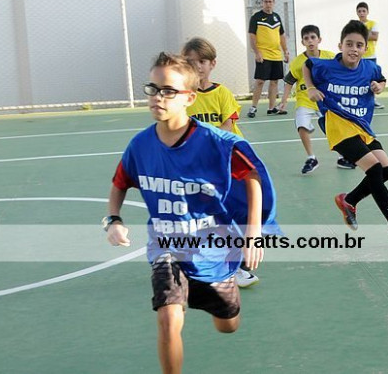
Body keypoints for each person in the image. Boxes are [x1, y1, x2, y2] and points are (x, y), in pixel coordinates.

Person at [104, 53, 278, 374]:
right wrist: (113, 220)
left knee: (228, 324)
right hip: (167, 247)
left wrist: (253, 234)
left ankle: (220, 296)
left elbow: (253, 178)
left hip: (213, 251)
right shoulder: (140, 146)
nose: (158, 97)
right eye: (153, 88)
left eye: (168, 90)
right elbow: (120, 183)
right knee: (168, 318)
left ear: (189, 98)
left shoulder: (215, 143)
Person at [303, 20, 388, 241]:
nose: (353, 49)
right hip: (337, 124)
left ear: (365, 49)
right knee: (374, 168)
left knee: (386, 169)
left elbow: (381, 79)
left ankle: (349, 200)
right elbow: (308, 65)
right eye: (349, 44)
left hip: (361, 126)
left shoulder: (370, 68)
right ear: (340, 46)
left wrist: (380, 87)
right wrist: (310, 88)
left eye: (358, 45)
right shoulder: (327, 67)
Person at [182, 37, 259, 288]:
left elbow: (227, 127)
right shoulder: (184, 98)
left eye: (202, 61)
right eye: (191, 62)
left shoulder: (221, 93)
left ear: (212, 64)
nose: (197, 66)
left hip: (230, 162)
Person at [278, 25, 335, 174]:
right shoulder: (298, 62)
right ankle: (311, 158)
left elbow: (342, 73)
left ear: (319, 40)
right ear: (302, 42)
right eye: (306, 38)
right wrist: (284, 101)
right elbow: (289, 81)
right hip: (305, 100)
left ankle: (344, 156)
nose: (310, 41)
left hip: (326, 101)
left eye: (313, 37)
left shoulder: (330, 57)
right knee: (301, 125)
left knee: (334, 129)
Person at [247, 0, 290, 118]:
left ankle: (271, 108)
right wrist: (257, 52)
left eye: (270, 2)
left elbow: (281, 36)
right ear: (262, 2)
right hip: (263, 54)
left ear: (274, 3)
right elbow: (252, 36)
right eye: (265, 1)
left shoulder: (277, 17)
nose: (268, 4)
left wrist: (285, 51)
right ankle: (253, 107)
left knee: (274, 82)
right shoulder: (256, 17)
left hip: (276, 55)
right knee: (260, 81)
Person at [356, 2, 384, 110]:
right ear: (357, 13)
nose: (362, 13)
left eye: (364, 11)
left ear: (367, 12)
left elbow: (374, 37)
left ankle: (373, 100)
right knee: (358, 78)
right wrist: (366, 33)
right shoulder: (355, 24)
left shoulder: (373, 23)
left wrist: (361, 32)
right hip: (358, 56)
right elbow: (355, 37)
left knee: (372, 78)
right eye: (359, 11)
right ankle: (358, 100)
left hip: (370, 56)